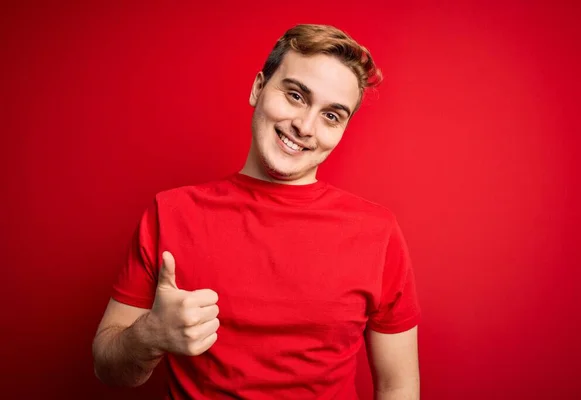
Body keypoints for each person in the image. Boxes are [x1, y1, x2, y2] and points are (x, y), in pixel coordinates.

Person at [92, 24, 421, 399]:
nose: (304, 126)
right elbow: (108, 367)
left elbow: (398, 386)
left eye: (332, 115)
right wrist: (148, 335)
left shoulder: (377, 233)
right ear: (258, 88)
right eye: (296, 95)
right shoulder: (170, 212)